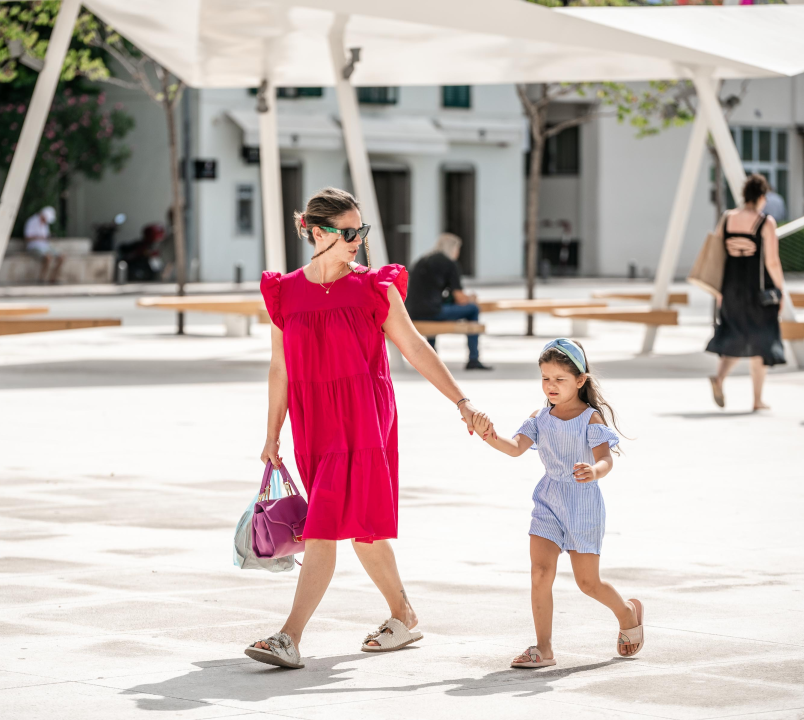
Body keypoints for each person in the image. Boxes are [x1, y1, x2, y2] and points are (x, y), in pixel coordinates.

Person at [248, 187, 488, 669]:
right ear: (317, 232)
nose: (357, 239)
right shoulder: (285, 291)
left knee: (324, 526)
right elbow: (280, 369)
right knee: (364, 531)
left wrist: (462, 401)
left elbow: (416, 348)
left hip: (362, 419)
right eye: (348, 231)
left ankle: (289, 636)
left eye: (361, 230)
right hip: (313, 421)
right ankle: (403, 615)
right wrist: (272, 433)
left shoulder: (374, 287)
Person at [471, 339, 642, 668]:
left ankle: (628, 613)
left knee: (588, 583)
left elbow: (605, 459)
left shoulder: (590, 419)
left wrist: (594, 471)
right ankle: (544, 648)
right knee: (539, 573)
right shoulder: (540, 417)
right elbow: (514, 447)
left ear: (580, 381)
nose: (551, 386)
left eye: (559, 379)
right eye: (545, 378)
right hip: (548, 499)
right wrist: (487, 434)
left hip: (583, 504)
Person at [706, 174, 787, 411]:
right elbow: (772, 262)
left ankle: (719, 378)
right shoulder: (765, 222)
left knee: (735, 335)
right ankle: (757, 399)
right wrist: (780, 290)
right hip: (756, 291)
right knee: (761, 341)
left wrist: (719, 290)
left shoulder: (727, 218)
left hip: (730, 288)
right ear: (762, 197)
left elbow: (718, 254)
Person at [406, 233, 492, 370]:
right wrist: (471, 299)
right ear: (453, 249)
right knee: (473, 309)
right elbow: (460, 297)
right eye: (458, 249)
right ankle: (473, 359)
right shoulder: (450, 263)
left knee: (434, 307)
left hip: (411, 312)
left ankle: (431, 356)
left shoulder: (422, 260)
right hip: (432, 312)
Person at [23, 206, 64, 283]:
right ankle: (42, 279)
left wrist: (49, 237)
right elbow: (27, 238)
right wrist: (39, 237)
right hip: (34, 246)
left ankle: (53, 278)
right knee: (48, 258)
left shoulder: (45, 224)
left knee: (61, 257)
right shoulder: (31, 222)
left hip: (45, 246)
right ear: (43, 215)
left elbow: (46, 237)